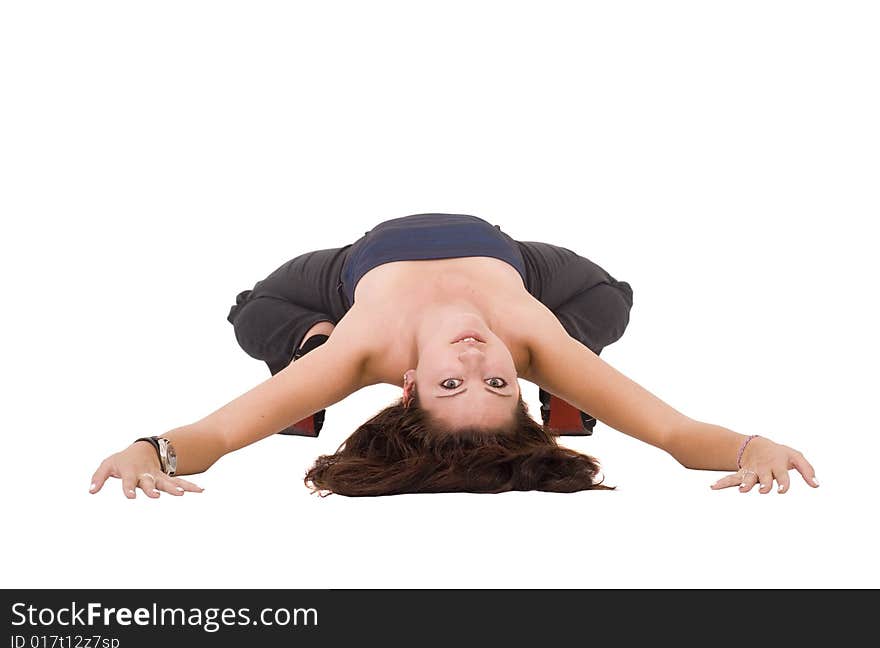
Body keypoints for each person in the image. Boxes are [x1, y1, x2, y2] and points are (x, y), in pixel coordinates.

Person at [89, 213, 818, 498]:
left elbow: (212, 438)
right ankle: (577, 376)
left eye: (450, 381)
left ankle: (299, 356)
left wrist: (146, 452)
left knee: (253, 312)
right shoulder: (533, 334)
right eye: (499, 380)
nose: (475, 355)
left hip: (353, 270)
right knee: (611, 298)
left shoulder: (359, 349)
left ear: (407, 385)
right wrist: (757, 445)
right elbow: (676, 435)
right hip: (516, 263)